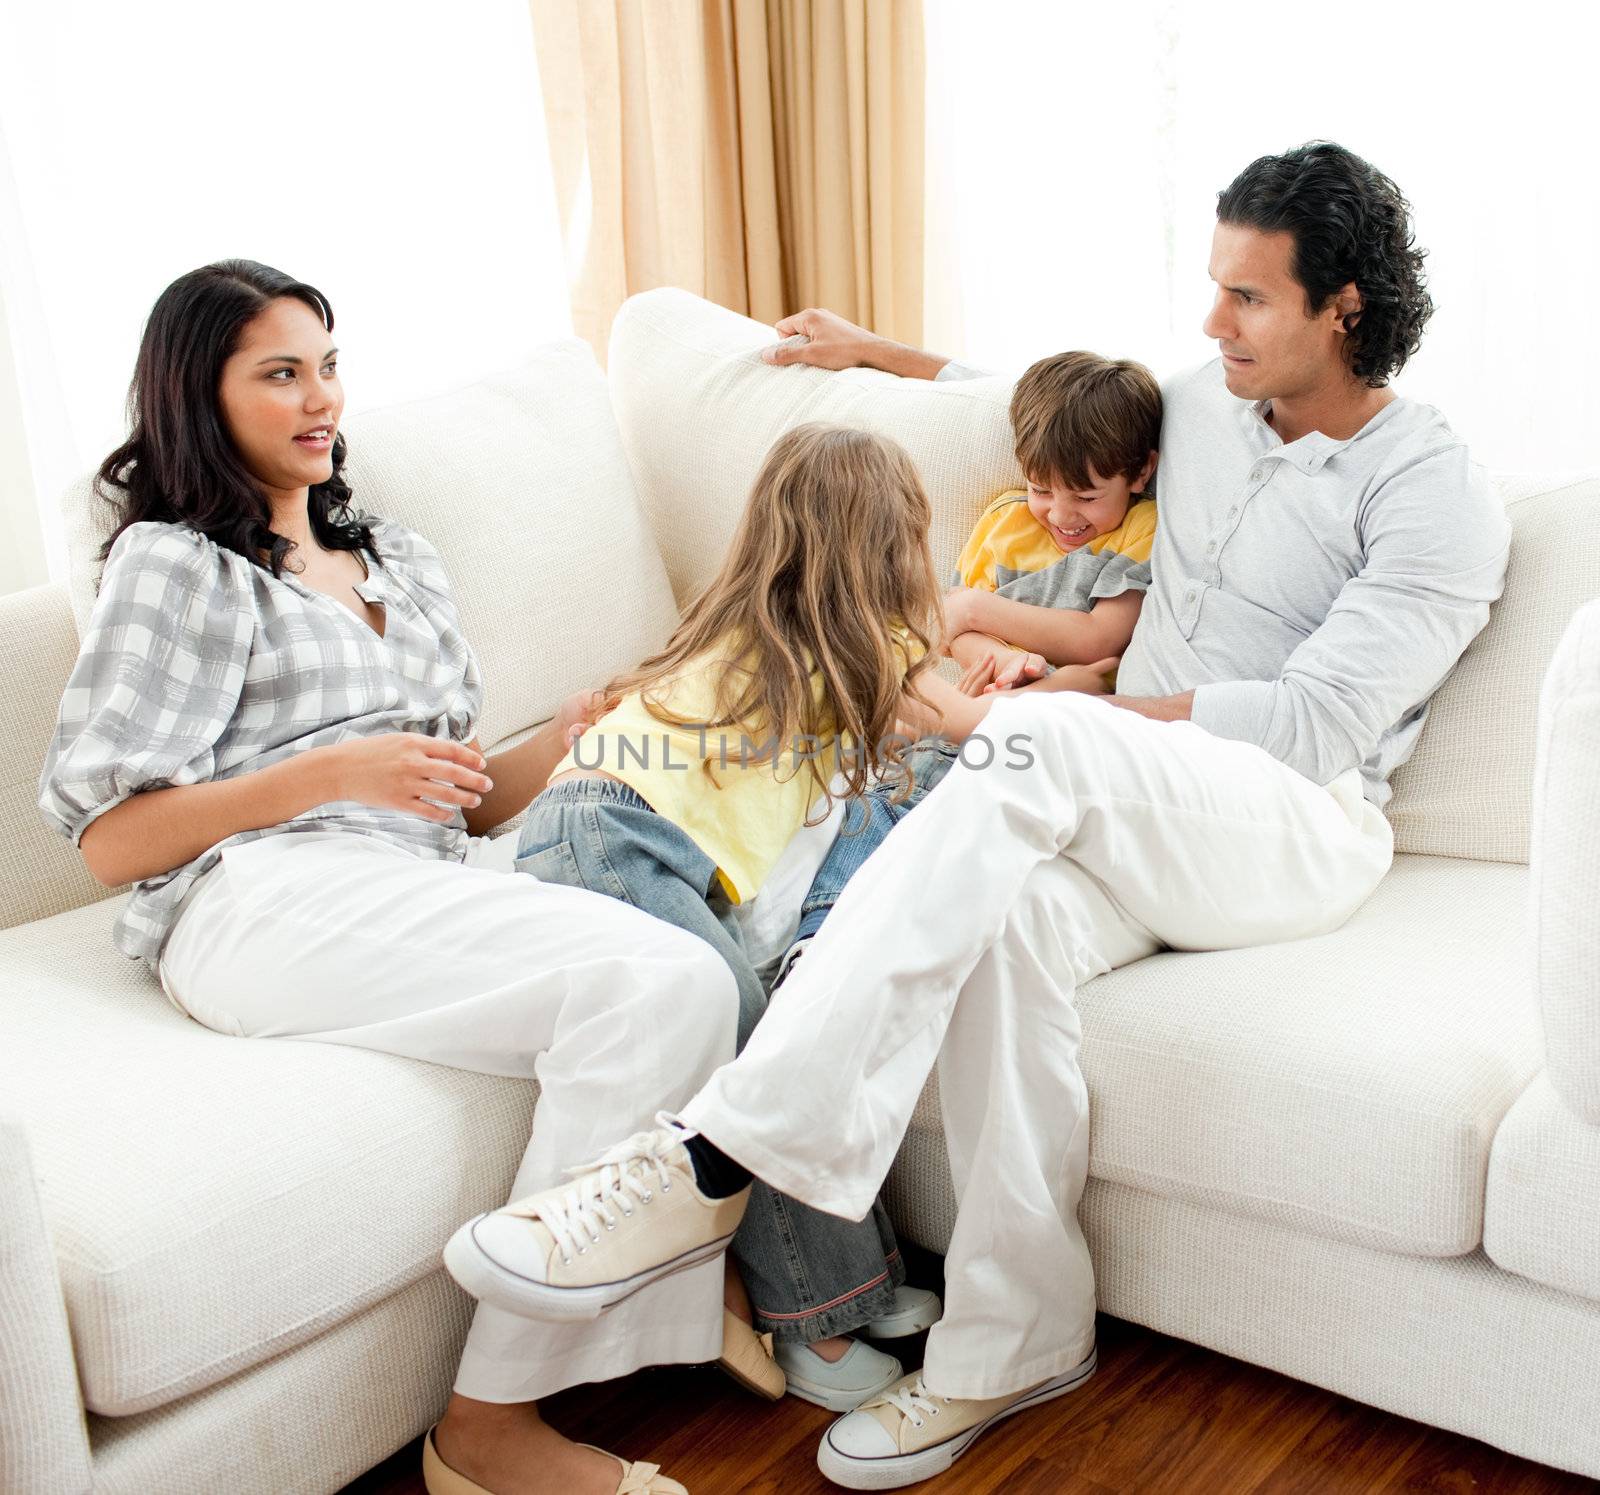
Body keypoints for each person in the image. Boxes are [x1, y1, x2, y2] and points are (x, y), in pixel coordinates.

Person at [435, 140, 1514, 1491]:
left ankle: (712, 1152)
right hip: (1127, 802)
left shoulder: (1435, 494)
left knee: (1027, 743)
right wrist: (872, 348)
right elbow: (1020, 396)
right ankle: (1016, 1339)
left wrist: (1032, 714)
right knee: (997, 911)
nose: (1210, 320)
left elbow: (1308, 727)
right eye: (1212, 288)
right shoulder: (1201, 403)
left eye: (1248, 296)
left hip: (1295, 820)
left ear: (1343, 306)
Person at [38, 259, 731, 1495]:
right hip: (257, 896)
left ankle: (650, 1263)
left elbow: (458, 794)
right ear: (202, 393)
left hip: (414, 871)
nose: (321, 397)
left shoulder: (397, 560)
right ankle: (488, 1429)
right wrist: (327, 776)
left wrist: (574, 736)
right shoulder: (174, 563)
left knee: (696, 950)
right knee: (653, 983)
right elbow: (110, 837)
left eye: (329, 363)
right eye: (281, 372)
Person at [460, 423, 983, 1411]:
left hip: (617, 833)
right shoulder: (842, 644)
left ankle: (854, 1287)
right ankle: (816, 1328)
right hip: (606, 830)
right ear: (892, 544)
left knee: (783, 1034)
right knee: (751, 1052)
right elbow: (958, 725)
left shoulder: (768, 637)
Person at [777, 351, 1162, 983]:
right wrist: (1001, 660)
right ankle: (815, 934)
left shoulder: (1141, 529)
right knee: (871, 790)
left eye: (1086, 496)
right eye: (1042, 489)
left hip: (1065, 724)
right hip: (980, 707)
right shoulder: (1003, 524)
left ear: (1141, 472)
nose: (1062, 515)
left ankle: (829, 939)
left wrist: (976, 610)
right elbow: (953, 638)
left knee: (919, 804)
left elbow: (1101, 639)